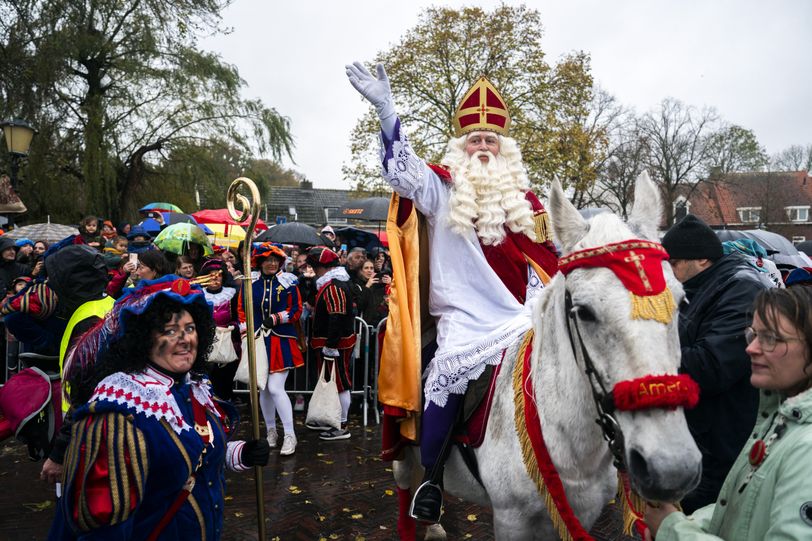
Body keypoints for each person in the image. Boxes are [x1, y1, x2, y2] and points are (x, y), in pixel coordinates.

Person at [346, 63, 559, 520]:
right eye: (474, 140)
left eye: (490, 140)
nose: (483, 146)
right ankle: (432, 480)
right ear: (461, 147)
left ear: (504, 148)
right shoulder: (440, 187)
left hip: (523, 314)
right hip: (464, 318)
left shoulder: (528, 201)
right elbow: (402, 173)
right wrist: (386, 110)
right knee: (445, 374)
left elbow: (548, 261)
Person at [48, 276, 270, 540]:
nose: (185, 340)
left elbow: (194, 453)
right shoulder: (119, 412)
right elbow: (104, 524)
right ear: (144, 339)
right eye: (170, 331)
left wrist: (240, 454)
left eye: (189, 328)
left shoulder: (194, 389)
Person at [644, 286, 812, 540]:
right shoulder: (780, 416)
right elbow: (747, 508)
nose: (751, 348)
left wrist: (673, 531)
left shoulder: (807, 448)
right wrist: (687, 522)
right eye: (753, 335)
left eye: (770, 338)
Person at [660, 214, 774, 512]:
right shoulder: (696, 288)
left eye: (673, 263)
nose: (667, 272)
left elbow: (713, 365)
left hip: (720, 442)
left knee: (705, 518)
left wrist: (647, 357)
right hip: (695, 435)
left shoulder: (742, 289)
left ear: (701, 260)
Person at [239, 243, 304, 456]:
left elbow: (296, 309)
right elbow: (242, 309)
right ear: (259, 262)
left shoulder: (288, 282)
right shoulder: (250, 283)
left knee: (276, 388)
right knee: (263, 388)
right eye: (268, 259)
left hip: (281, 339)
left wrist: (275, 318)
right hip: (258, 340)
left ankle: (290, 434)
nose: (272, 263)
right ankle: (271, 432)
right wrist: (246, 333)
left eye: (276, 259)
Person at [305, 246, 357, 441]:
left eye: (315, 267)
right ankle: (334, 420)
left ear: (323, 267)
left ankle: (342, 425)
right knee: (335, 382)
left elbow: (337, 316)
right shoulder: (331, 283)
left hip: (336, 344)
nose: (314, 270)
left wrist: (331, 345)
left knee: (340, 383)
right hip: (333, 343)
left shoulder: (334, 286)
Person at [200, 258, 240, 400]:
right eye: (211, 275)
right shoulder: (199, 295)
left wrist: (233, 327)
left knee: (225, 379)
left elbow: (239, 316)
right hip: (205, 343)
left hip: (228, 342)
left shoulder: (232, 294)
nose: (215, 279)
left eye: (219, 275)